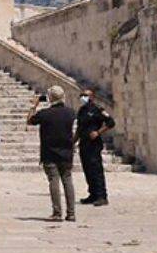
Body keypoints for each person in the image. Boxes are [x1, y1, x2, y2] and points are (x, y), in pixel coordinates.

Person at [27, 85, 76, 222]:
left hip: (49, 152)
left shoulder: (45, 114)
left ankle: (57, 212)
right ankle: (71, 213)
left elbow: (29, 121)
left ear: (50, 97)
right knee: (68, 181)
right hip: (66, 152)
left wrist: (34, 106)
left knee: (54, 181)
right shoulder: (70, 112)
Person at [75, 88, 115, 207]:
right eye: (82, 95)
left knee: (96, 170)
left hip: (94, 144)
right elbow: (79, 128)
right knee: (87, 169)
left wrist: (98, 132)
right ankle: (92, 194)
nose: (83, 97)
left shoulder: (98, 109)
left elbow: (111, 122)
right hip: (84, 143)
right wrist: (73, 141)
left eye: (86, 95)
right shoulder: (81, 110)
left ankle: (102, 196)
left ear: (92, 97)